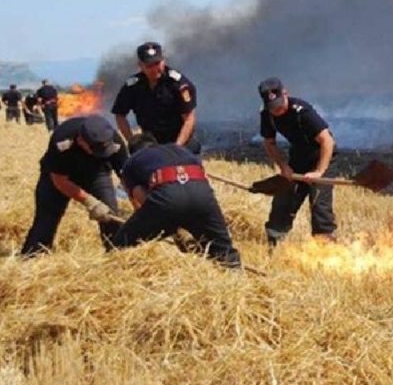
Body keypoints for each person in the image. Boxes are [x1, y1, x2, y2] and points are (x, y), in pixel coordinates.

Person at [110, 133, 241, 268]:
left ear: (132, 151)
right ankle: (237, 277)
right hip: (202, 194)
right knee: (224, 251)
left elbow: (141, 197)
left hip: (168, 195)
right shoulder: (182, 151)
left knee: (121, 245)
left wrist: (168, 223)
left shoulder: (132, 162)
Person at [20, 115, 128, 256]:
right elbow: (59, 179)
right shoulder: (62, 140)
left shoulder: (114, 141)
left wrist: (141, 210)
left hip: (96, 173)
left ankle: (117, 254)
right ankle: (33, 255)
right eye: (95, 150)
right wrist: (90, 202)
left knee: (111, 215)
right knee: (46, 219)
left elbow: (128, 178)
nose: (99, 154)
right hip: (59, 176)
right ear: (81, 140)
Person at [257, 77, 337, 247]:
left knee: (319, 205)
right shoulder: (266, 115)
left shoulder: (303, 111)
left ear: (285, 93)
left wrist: (319, 172)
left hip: (320, 157)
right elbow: (269, 143)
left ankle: (325, 247)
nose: (277, 110)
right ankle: (274, 243)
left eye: (280, 104)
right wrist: (284, 167)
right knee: (284, 200)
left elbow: (327, 141)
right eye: (273, 107)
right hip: (298, 157)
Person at [111, 42, 201, 153]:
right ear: (140, 66)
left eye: (157, 63)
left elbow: (189, 119)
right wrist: (131, 141)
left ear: (164, 61)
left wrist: (177, 148)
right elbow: (119, 114)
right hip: (150, 141)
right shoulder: (132, 86)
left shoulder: (178, 84)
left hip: (180, 140)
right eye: (149, 66)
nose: (154, 69)